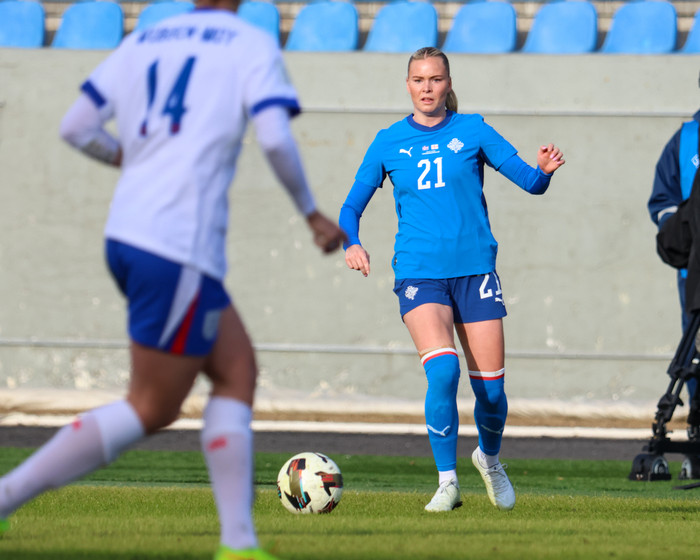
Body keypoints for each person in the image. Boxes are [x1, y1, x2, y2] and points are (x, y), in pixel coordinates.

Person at [0, 0, 346, 558]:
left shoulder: (146, 38)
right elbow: (275, 138)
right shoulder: (248, 42)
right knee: (150, 406)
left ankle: (239, 543)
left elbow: (76, 126)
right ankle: (5, 498)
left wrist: (129, 161)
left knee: (236, 370)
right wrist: (310, 213)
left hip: (132, 234)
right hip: (176, 245)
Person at [339, 47, 565, 513]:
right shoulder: (388, 141)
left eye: (435, 79)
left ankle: (490, 460)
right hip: (420, 273)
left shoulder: (473, 129)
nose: (427, 88)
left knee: (492, 392)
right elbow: (349, 208)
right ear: (408, 85)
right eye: (419, 80)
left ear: (448, 84)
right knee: (443, 371)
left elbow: (530, 182)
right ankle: (447, 482)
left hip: (475, 271)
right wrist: (352, 243)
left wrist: (543, 171)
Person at [648, 90, 700, 403]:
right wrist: (685, 234)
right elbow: (662, 201)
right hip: (694, 272)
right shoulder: (686, 140)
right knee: (696, 352)